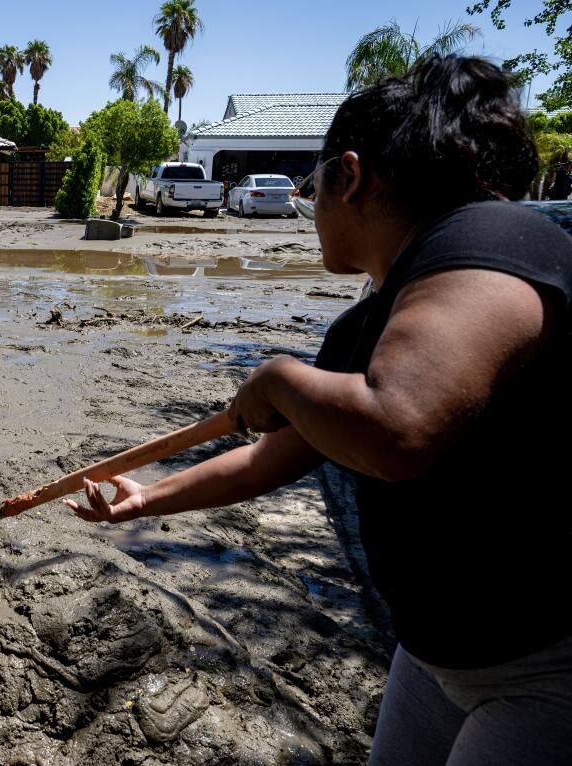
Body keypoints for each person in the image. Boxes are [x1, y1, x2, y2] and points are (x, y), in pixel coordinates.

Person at [65, 55, 572, 765]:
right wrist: (144, 500)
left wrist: (277, 379)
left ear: (349, 175)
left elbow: (399, 430)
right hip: (434, 656)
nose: (306, 204)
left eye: (313, 181)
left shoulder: (490, 244)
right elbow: (281, 452)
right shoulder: (374, 321)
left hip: (546, 668)